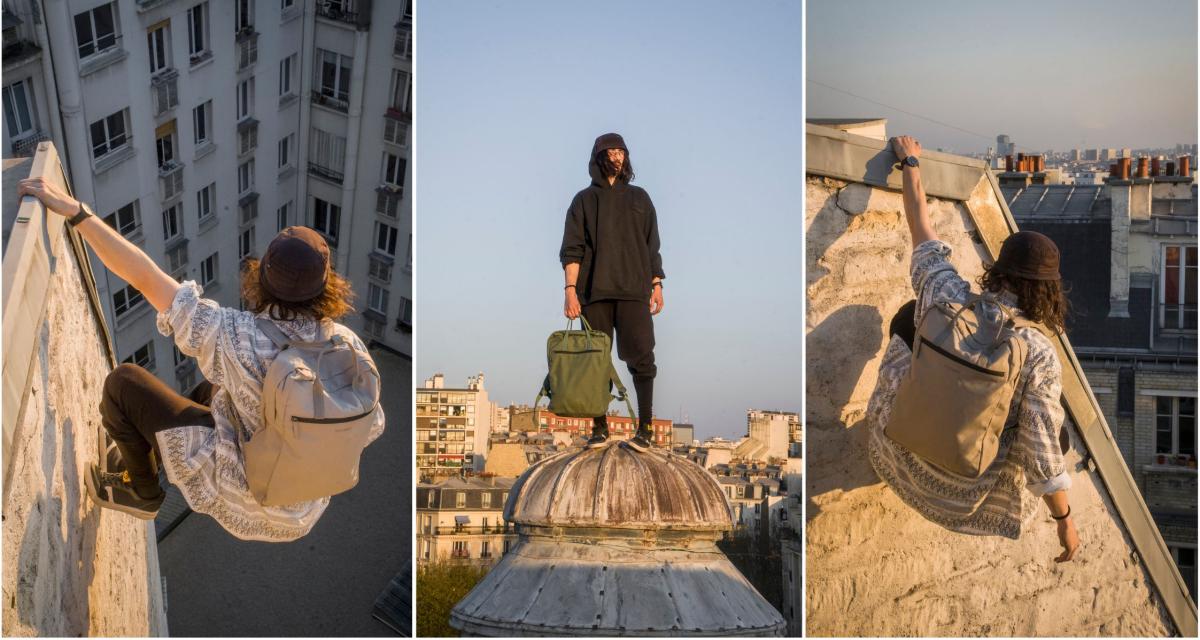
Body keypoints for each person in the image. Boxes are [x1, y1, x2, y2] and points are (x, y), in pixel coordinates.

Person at [17, 176, 384, 542]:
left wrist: (79, 213)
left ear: (263, 277)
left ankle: (141, 491)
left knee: (123, 384)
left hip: (250, 496)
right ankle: (159, 451)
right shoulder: (347, 344)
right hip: (305, 504)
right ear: (327, 285)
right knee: (215, 389)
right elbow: (373, 425)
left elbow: (144, 276)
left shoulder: (234, 336)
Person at [865, 136, 1080, 562]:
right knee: (1057, 433)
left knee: (910, 318)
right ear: (1048, 291)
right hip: (964, 497)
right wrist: (1065, 521)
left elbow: (920, 226)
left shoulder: (945, 291)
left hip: (892, 453)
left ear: (997, 269)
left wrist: (910, 161)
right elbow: (1040, 451)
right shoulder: (1037, 351)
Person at [559, 133, 665, 451]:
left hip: (634, 290)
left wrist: (656, 284)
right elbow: (572, 250)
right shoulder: (583, 201)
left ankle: (645, 428)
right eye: (611, 152)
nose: (617, 157)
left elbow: (652, 246)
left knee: (642, 358)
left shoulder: (640, 198)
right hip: (594, 294)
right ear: (598, 157)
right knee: (595, 361)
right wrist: (570, 291)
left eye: (622, 152)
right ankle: (599, 428)